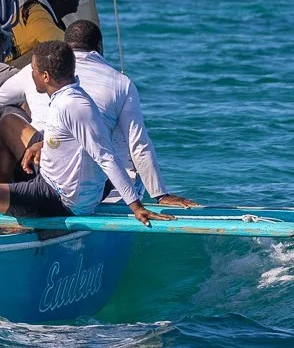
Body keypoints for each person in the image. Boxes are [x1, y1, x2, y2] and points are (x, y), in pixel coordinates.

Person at [0, 41, 174, 235]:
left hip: (61, 197)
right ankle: (1, 187)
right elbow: (72, 139)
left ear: (45, 75)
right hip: (59, 179)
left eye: (32, 71)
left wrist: (135, 206)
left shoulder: (73, 105)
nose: (29, 76)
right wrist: (42, 145)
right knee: (8, 120)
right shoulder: (64, 97)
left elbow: (105, 156)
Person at [65, 20, 198, 209]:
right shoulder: (120, 83)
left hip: (44, 182)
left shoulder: (35, 73)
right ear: (100, 46)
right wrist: (160, 194)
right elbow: (138, 144)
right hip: (85, 192)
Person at [10, 0, 91, 65]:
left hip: (11, 67)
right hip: (7, 73)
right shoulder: (39, 19)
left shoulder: (34, 7)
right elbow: (72, 50)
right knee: (56, 53)